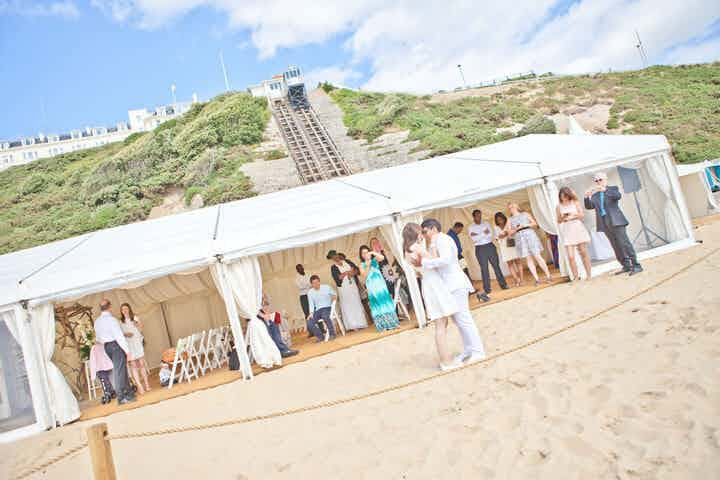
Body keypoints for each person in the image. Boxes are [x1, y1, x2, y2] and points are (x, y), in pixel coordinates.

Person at [412, 219, 486, 365]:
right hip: (449, 285)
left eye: (425, 231)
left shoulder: (443, 240)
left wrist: (425, 263)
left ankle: (478, 351)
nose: (424, 235)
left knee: (464, 319)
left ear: (433, 229)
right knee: (458, 320)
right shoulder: (437, 241)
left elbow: (446, 260)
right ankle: (469, 349)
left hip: (455, 283)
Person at [404, 223, 460, 371]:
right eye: (419, 231)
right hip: (433, 284)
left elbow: (418, 270)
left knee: (442, 323)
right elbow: (435, 261)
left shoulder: (407, 251)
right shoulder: (416, 248)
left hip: (427, 283)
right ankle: (446, 361)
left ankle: (446, 359)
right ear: (415, 233)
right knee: (440, 325)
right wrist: (433, 245)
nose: (422, 233)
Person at [584, 172, 643, 275]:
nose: (598, 182)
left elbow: (617, 196)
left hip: (616, 221)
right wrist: (586, 197)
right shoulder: (595, 195)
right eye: (596, 181)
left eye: (600, 180)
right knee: (615, 245)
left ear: (606, 179)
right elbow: (589, 206)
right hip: (604, 223)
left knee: (625, 244)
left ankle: (636, 265)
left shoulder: (612, 189)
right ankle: (626, 265)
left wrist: (605, 190)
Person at [94, 299, 135, 405]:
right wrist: (127, 351)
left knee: (121, 369)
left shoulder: (97, 321)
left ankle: (129, 393)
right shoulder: (112, 320)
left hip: (106, 347)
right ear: (110, 306)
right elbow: (119, 336)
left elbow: (98, 338)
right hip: (115, 345)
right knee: (119, 371)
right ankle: (121, 397)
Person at [507, 202, 552, 286]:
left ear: (517, 206)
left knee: (537, 256)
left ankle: (548, 275)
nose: (511, 209)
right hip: (520, 239)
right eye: (509, 208)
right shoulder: (510, 219)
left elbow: (534, 223)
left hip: (530, 235)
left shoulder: (525, 214)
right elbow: (509, 233)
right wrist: (516, 229)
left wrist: (524, 225)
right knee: (528, 259)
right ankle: (537, 279)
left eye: (512, 206)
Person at [358, 245, 400, 332]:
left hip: (380, 284)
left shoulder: (374, 260)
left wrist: (373, 253)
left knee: (385, 302)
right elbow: (364, 275)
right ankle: (382, 326)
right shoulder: (361, 265)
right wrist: (368, 265)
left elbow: (382, 257)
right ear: (361, 255)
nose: (365, 254)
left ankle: (392, 323)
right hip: (371, 286)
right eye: (363, 253)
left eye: (367, 252)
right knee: (377, 304)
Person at [469, 209, 508, 299]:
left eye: (480, 215)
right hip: (480, 248)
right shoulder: (471, 227)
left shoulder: (486, 223)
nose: (479, 217)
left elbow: (490, 235)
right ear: (474, 217)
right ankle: (487, 289)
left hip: (490, 246)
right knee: (484, 269)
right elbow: (474, 239)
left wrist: (479, 235)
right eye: (477, 216)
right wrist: (483, 233)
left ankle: (503, 285)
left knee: (496, 266)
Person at [557, 186, 593, 280]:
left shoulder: (575, 203)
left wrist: (573, 216)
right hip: (567, 230)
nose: (563, 197)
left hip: (577, 227)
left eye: (565, 195)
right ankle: (576, 277)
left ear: (568, 195)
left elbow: (581, 215)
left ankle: (589, 275)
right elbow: (558, 220)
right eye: (562, 196)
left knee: (583, 252)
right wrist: (563, 218)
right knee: (571, 256)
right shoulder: (558, 206)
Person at [328, 249, 368, 331]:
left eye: (335, 255)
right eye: (332, 257)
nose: (335, 257)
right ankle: (352, 325)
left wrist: (353, 273)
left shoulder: (347, 261)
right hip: (344, 288)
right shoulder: (333, 267)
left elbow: (357, 269)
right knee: (348, 305)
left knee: (356, 303)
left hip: (353, 285)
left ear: (337, 254)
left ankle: (361, 323)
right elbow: (338, 278)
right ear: (331, 259)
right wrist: (346, 273)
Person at [119, 303, 151, 395]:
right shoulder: (120, 322)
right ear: (121, 311)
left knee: (141, 364)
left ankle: (147, 384)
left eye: (126, 308)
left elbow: (141, 329)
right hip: (128, 345)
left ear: (129, 309)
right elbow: (119, 334)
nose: (125, 310)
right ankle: (140, 386)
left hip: (137, 342)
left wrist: (137, 324)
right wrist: (126, 334)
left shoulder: (135, 318)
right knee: (133, 365)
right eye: (123, 309)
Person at [447, 222, 480, 297]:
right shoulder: (450, 235)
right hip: (456, 257)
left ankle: (469, 289)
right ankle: (469, 290)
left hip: (457, 256)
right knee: (464, 272)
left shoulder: (452, 234)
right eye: (460, 230)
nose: (460, 231)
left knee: (464, 272)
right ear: (457, 228)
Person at [494, 212, 523, 287]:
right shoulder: (496, 228)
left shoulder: (509, 223)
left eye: (501, 218)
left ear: (504, 218)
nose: (500, 220)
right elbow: (497, 238)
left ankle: (522, 279)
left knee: (518, 262)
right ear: (496, 220)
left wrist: (505, 234)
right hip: (504, 246)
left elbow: (514, 232)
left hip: (512, 243)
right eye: (498, 219)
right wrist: (504, 234)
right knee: (510, 264)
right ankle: (517, 280)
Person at [306, 275, 338, 342]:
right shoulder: (310, 292)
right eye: (314, 283)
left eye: (317, 282)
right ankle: (320, 337)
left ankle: (332, 334)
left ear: (319, 281)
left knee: (325, 316)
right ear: (311, 284)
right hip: (317, 310)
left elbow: (334, 295)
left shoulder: (326, 287)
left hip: (327, 307)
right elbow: (311, 304)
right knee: (309, 322)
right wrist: (311, 313)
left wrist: (334, 298)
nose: (316, 284)